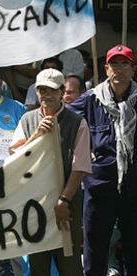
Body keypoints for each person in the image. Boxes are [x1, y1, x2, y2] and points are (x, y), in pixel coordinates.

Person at [10, 68, 91, 276]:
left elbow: (79, 167)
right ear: (36, 92)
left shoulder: (76, 122)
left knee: (69, 265)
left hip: (66, 207)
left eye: (52, 90)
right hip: (34, 206)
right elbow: (15, 160)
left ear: (62, 91)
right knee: (38, 267)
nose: (46, 95)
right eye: (42, 90)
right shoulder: (27, 120)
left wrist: (64, 200)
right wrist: (37, 134)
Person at [68, 44, 137, 276]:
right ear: (106, 68)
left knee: (133, 252)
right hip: (99, 188)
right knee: (94, 252)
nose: (119, 69)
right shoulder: (91, 99)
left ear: (133, 69)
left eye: (124, 63)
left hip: (134, 189)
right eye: (114, 64)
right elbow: (64, 121)